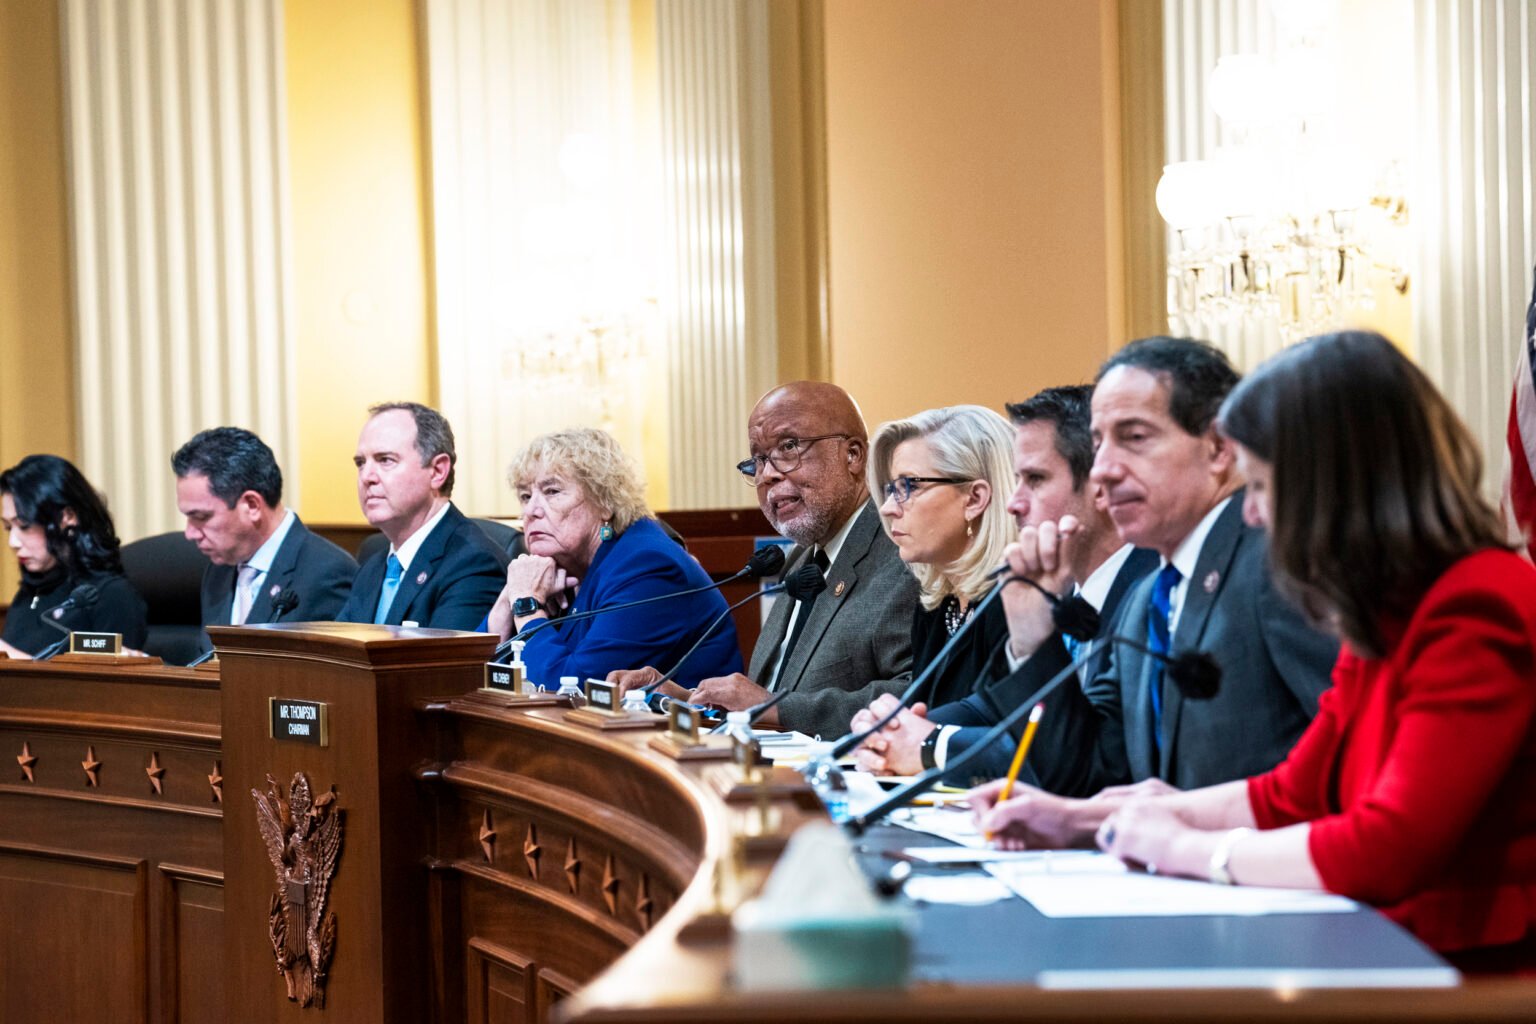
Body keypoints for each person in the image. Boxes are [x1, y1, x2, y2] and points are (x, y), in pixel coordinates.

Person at [1083, 331, 1536, 969]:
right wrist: (1115, 820)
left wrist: (1186, 849)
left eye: (1261, 486)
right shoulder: (1382, 615)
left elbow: (1389, 846)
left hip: (1479, 973)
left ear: (1333, 486)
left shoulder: (1477, 601)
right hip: (1392, 956)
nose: (1252, 515)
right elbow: (1290, 795)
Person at [969, 337, 1338, 845]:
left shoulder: (1280, 563)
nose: (1103, 469)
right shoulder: (1146, 600)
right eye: (1099, 443)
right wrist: (1034, 635)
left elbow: (1359, 768)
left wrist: (1196, 833)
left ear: (1218, 447)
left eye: (1135, 438)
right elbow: (1091, 775)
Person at [850, 387, 1157, 790]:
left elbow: (1096, 760)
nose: (1013, 502)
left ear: (1101, 485)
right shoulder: (1070, 591)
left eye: (1035, 479)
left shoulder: (1147, 592)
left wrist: (930, 744)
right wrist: (893, 729)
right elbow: (995, 707)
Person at [610, 381, 919, 738]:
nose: (767, 474)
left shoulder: (903, 555)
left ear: (853, 456)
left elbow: (916, 696)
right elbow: (768, 696)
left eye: (789, 447)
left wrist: (775, 709)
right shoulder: (802, 559)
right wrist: (687, 700)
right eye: (758, 459)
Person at [485, 428, 742, 687]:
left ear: (605, 502)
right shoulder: (558, 570)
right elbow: (469, 676)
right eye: (525, 496)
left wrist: (526, 606)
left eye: (552, 491)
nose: (530, 511)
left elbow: (574, 689)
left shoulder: (648, 568)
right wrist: (504, 606)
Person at [173, 427, 357, 653]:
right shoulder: (218, 572)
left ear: (252, 505)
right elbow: (207, 665)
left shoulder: (328, 573)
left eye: (201, 517)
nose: (190, 533)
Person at [335, 402, 508, 630]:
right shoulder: (373, 566)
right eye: (360, 463)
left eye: (385, 460)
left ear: (437, 471)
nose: (367, 477)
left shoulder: (474, 564)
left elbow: (444, 654)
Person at [0, 454, 147, 656]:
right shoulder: (30, 591)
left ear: (67, 517)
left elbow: (108, 674)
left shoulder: (110, 595)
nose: (13, 542)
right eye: (8, 527)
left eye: (24, 526)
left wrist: (8, 654)